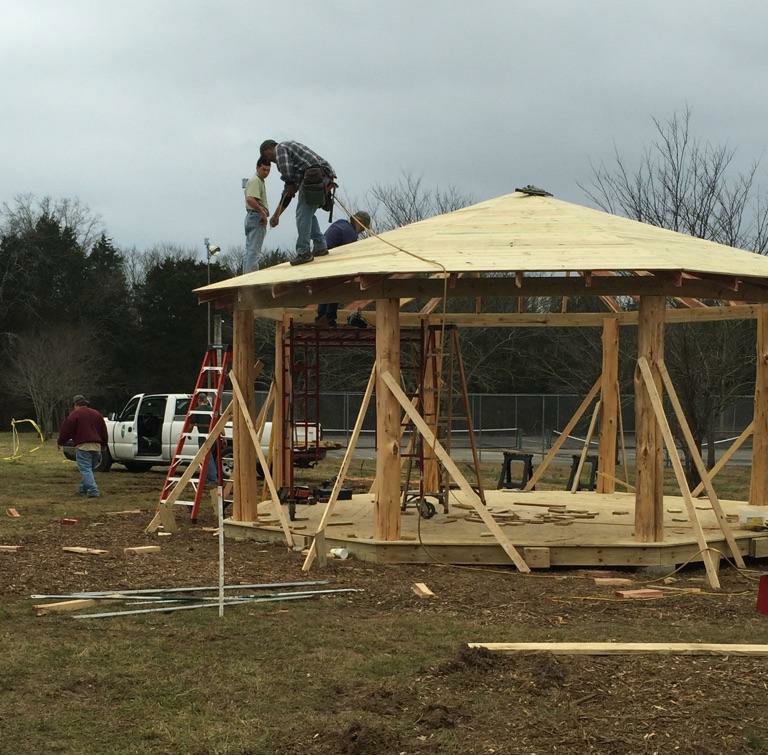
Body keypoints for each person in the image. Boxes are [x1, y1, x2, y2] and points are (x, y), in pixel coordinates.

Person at [260, 139, 335, 265]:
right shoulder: (290, 151)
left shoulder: (280, 149)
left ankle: (303, 252)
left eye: (266, 156)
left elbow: (289, 181)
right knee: (308, 214)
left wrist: (276, 214)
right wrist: (277, 215)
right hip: (323, 176)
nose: (270, 161)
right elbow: (290, 189)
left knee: (302, 215)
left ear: (269, 149)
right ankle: (320, 246)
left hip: (314, 176)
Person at [316, 211, 372, 328]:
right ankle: (328, 318)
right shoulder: (350, 232)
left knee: (327, 288)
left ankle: (322, 316)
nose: (362, 231)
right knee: (336, 287)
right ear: (360, 222)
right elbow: (349, 256)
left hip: (321, 260)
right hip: (329, 262)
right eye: (363, 228)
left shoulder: (341, 224)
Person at [57, 395, 108, 498]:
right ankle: (82, 490)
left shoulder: (75, 414)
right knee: (88, 470)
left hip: (83, 446)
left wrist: (60, 441)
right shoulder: (97, 414)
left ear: (75, 405)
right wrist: (104, 444)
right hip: (97, 446)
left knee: (85, 470)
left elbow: (66, 430)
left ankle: (93, 491)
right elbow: (104, 430)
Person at [243, 158, 271, 273]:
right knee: (254, 252)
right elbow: (250, 199)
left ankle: (246, 278)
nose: (266, 173)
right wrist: (262, 213)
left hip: (252, 216)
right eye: (264, 169)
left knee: (250, 251)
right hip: (256, 217)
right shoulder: (256, 180)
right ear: (257, 167)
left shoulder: (258, 181)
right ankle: (251, 281)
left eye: (268, 170)